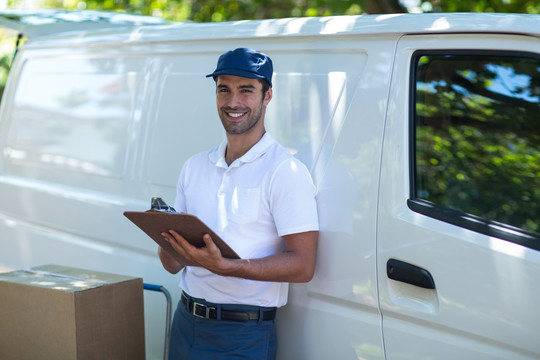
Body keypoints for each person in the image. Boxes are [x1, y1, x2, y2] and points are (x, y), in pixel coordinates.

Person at [158, 47, 319, 360]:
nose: (233, 102)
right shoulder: (194, 166)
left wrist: (231, 267)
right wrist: (166, 238)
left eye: (246, 90)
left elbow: (303, 265)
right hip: (185, 323)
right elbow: (171, 264)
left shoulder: (286, 171)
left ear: (267, 96)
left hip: (242, 337)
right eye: (224, 90)